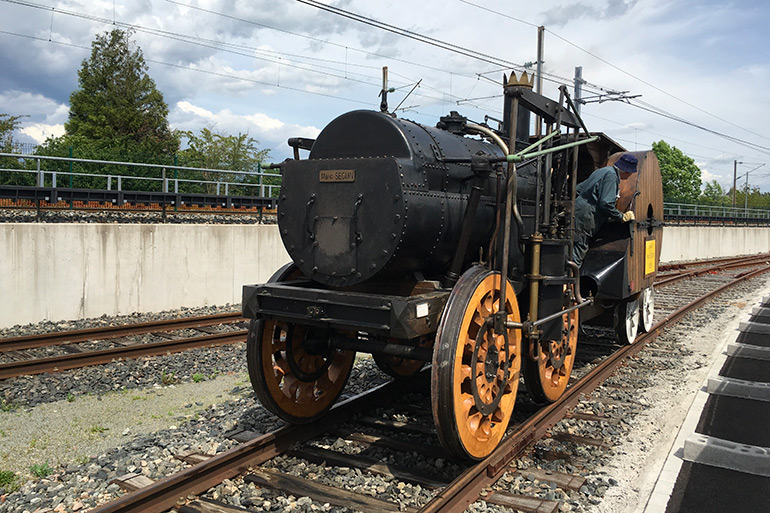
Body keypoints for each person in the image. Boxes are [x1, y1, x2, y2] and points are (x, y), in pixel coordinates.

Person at [573, 154, 638, 268]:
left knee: (573, 245)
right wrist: (621, 216)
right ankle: (570, 282)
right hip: (588, 215)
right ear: (627, 172)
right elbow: (605, 203)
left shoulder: (601, 171)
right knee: (579, 249)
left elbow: (578, 189)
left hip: (578, 211)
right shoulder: (612, 177)